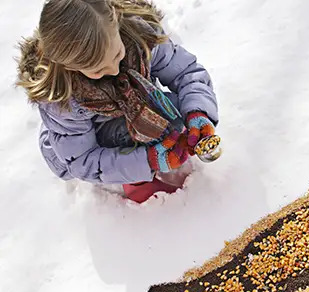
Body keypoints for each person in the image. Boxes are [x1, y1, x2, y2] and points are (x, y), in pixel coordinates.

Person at [16, 0, 219, 203]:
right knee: (131, 133)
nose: (114, 70)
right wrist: (148, 161)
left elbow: (186, 73)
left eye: (118, 55)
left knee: (174, 114)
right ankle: (136, 183)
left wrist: (198, 112)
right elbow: (82, 159)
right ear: (67, 66)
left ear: (116, 21)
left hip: (133, 105)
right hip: (84, 140)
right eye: (98, 70)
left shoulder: (140, 37)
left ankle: (154, 145)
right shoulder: (63, 102)